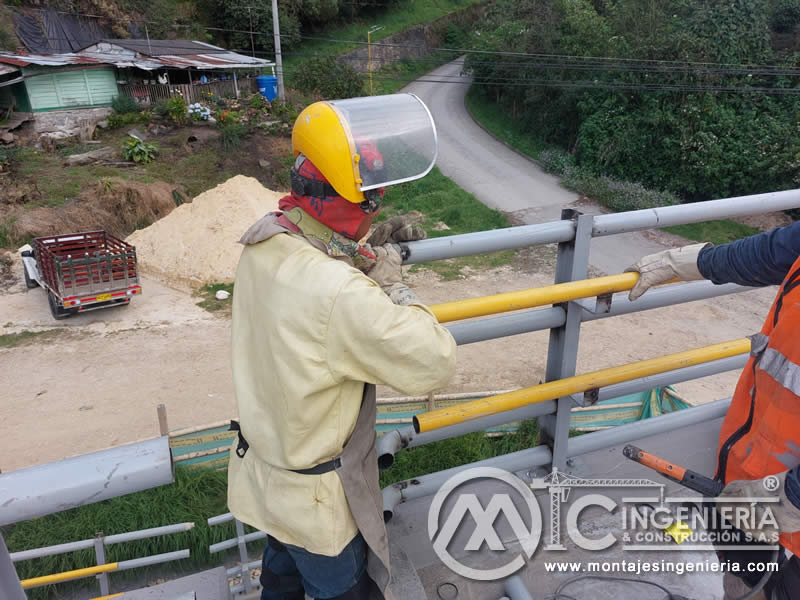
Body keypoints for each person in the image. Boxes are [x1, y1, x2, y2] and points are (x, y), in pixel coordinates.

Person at [226, 94, 456, 600]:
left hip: (267, 474)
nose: (377, 206)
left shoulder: (264, 244)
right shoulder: (339, 292)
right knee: (344, 590)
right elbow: (435, 360)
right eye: (371, 197)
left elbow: (310, 300)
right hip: (318, 503)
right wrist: (392, 286)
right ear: (351, 201)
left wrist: (354, 253)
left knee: (280, 581)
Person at [626, 222, 800, 599]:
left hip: (785, 503)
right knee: (742, 571)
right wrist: (688, 262)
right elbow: (772, 252)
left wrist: (790, 498)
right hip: (757, 478)